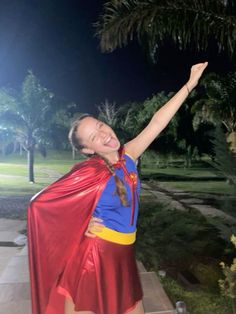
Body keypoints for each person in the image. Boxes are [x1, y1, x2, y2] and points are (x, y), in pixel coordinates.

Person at [27, 62, 208, 314]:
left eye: (100, 125)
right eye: (93, 137)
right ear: (87, 150)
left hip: (122, 254)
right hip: (95, 257)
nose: (103, 133)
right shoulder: (87, 172)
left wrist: (189, 85)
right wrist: (81, 225)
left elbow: (157, 123)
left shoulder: (129, 155)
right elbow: (40, 205)